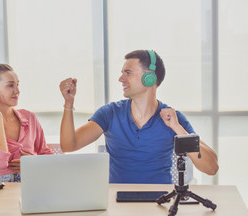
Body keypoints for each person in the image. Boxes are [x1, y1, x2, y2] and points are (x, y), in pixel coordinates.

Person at [59, 50, 219, 184]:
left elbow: (211, 168)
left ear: (149, 78)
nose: (121, 79)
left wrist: (177, 128)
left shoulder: (173, 118)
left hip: (160, 203)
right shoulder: (110, 113)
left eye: (128, 73)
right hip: (118, 204)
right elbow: (69, 146)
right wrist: (68, 103)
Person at [0, 64, 52, 182]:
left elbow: (48, 157)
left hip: (34, 182)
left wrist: (33, 162)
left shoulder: (30, 118)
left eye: (17, 85)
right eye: (10, 85)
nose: (17, 91)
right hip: (2, 188)